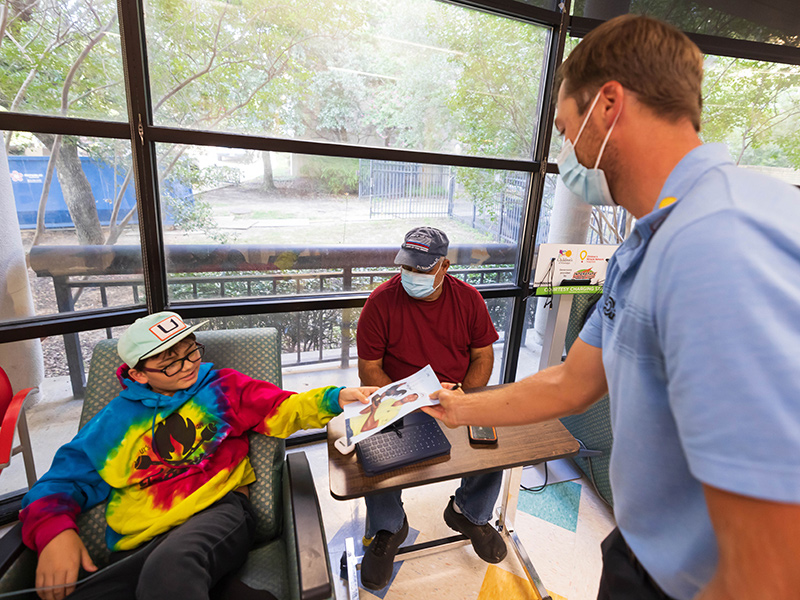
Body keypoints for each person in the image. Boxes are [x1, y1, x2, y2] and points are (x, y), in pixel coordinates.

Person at [423, 14, 800, 600]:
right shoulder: (648, 244)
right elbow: (573, 382)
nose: (564, 152)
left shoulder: (720, 243)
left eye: (566, 129)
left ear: (607, 106)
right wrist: (462, 407)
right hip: (641, 548)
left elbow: (772, 569)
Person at [20, 311, 375, 600]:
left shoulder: (222, 387)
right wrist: (53, 532)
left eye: (191, 350)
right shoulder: (113, 423)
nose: (189, 365)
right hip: (139, 539)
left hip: (219, 510)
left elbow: (284, 408)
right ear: (138, 374)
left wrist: (336, 398)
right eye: (169, 361)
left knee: (171, 570)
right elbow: (63, 480)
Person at [356, 226, 505, 590]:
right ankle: (388, 528)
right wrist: (405, 399)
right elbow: (370, 368)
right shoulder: (381, 302)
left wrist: (463, 398)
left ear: (445, 266)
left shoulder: (468, 300)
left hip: (453, 393)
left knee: (492, 438)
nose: (412, 276)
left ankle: (469, 513)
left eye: (423, 269)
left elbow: (483, 355)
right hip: (398, 397)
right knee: (373, 444)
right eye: (407, 267)